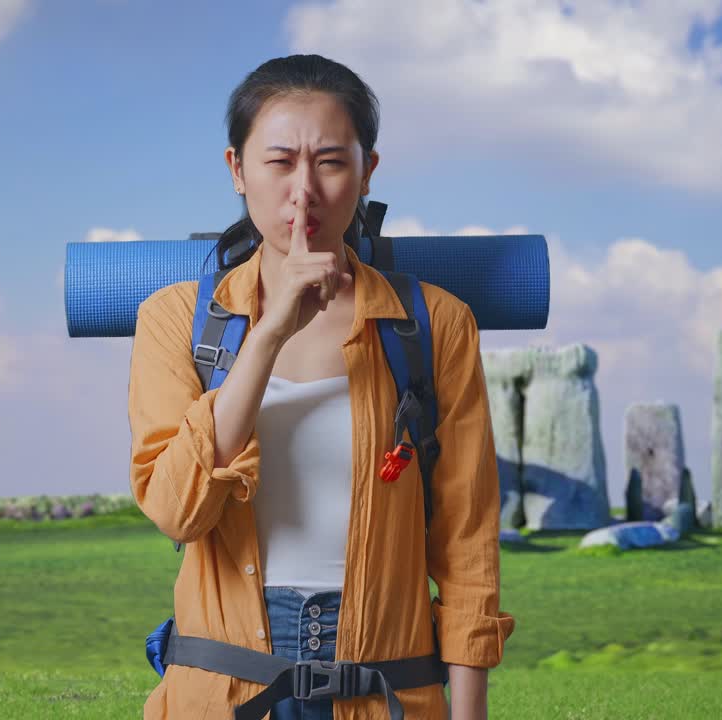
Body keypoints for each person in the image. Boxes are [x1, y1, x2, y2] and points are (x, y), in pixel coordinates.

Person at [129, 54, 515, 720]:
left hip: (386, 685)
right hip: (221, 692)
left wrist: (471, 713)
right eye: (279, 162)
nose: (303, 191)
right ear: (236, 171)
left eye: (331, 162)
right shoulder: (173, 319)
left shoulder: (434, 325)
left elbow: (467, 541)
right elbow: (177, 511)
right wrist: (270, 333)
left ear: (367, 172)